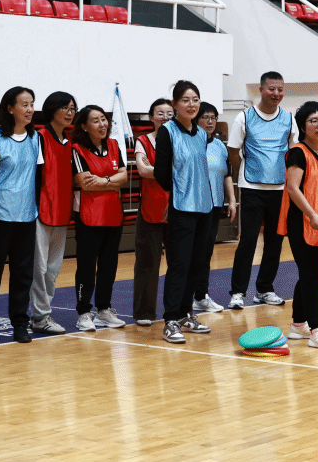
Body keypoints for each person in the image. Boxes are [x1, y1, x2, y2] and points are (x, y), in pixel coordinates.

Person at [0, 85, 41, 344]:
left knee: (23, 271)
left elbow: (36, 174)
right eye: (24, 104)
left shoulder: (35, 138)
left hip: (25, 212)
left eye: (32, 104)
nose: (30, 109)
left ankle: (20, 324)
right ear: (10, 108)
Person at [151, 81, 216, 344]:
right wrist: (179, 191)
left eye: (195, 100)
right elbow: (161, 172)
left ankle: (186, 313)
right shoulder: (167, 131)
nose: (192, 105)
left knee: (198, 264)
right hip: (181, 208)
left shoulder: (201, 134)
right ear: (175, 104)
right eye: (186, 100)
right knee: (179, 265)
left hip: (205, 207)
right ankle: (170, 320)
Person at [227, 71, 294, 309]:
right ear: (261, 89)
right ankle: (238, 292)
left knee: (275, 242)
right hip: (252, 188)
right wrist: (245, 173)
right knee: (248, 242)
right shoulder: (244, 117)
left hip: (279, 190)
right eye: (272, 89)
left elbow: (293, 152)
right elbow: (233, 151)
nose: (276, 93)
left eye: (280, 90)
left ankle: (265, 289)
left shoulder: (289, 118)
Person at [277, 102, 318, 351]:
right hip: (301, 221)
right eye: (313, 121)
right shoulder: (298, 152)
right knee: (312, 275)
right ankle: (317, 330)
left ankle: (298, 325)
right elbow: (292, 188)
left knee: (309, 273)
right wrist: (312, 214)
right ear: (303, 127)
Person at [69, 104, 128, 331]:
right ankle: (84, 313)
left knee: (108, 265)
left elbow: (124, 176)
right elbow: (86, 183)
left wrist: (103, 181)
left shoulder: (113, 145)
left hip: (113, 213)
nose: (102, 124)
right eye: (96, 121)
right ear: (84, 126)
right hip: (88, 215)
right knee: (86, 265)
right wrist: (112, 182)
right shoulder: (77, 149)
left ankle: (104, 309)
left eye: (104, 119)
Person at [28, 91, 78, 335]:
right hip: (40, 211)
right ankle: (40, 316)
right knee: (39, 268)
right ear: (52, 110)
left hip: (61, 211)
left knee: (53, 268)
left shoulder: (70, 140)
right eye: (65, 108)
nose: (70, 113)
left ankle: (42, 313)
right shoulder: (39, 137)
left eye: (72, 108)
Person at [187, 101, 234, 316]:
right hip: (192, 206)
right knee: (190, 254)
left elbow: (226, 174)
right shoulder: (189, 143)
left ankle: (201, 296)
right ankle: (186, 298)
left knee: (205, 253)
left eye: (213, 117)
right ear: (196, 120)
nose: (210, 121)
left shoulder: (219, 145)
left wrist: (231, 201)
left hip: (214, 206)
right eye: (205, 117)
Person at [131, 98, 173, 326]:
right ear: (151, 117)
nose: (165, 118)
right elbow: (142, 170)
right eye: (160, 113)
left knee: (179, 263)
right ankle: (144, 313)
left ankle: (178, 310)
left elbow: (151, 169)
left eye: (169, 113)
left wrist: (155, 168)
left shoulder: (179, 139)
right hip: (150, 208)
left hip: (177, 207)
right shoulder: (143, 140)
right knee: (147, 263)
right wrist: (171, 169)